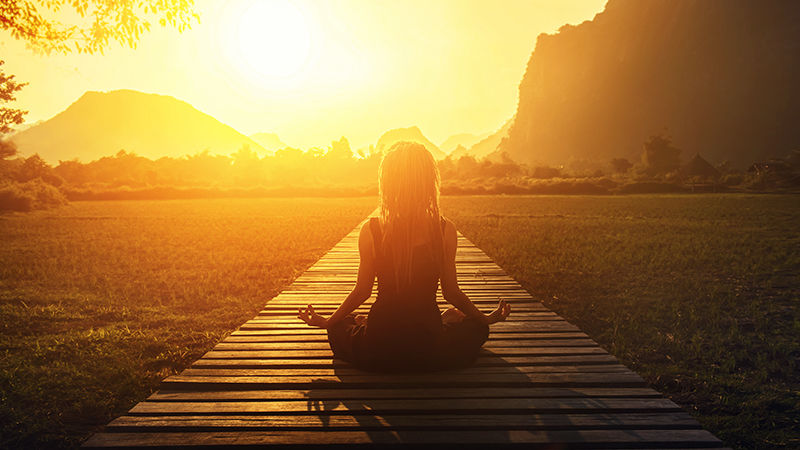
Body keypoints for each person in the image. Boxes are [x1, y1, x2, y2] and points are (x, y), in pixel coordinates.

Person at [297, 141, 511, 372]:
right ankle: (446, 321)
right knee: (477, 328)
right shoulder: (444, 230)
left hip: (379, 346)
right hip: (428, 345)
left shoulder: (372, 231)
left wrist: (329, 320)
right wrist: (486, 318)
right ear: (429, 182)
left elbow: (362, 292)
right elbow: (452, 292)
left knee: (339, 327)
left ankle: (366, 323)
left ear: (387, 183)